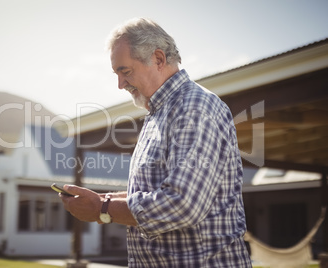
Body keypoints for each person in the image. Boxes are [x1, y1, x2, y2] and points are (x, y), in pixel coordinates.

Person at [60, 17, 252, 267]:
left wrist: (102, 209)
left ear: (158, 59)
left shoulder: (194, 108)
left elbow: (182, 203)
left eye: (125, 71)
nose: (120, 85)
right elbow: (154, 193)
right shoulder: (159, 113)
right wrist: (102, 199)